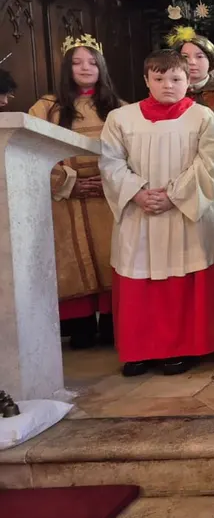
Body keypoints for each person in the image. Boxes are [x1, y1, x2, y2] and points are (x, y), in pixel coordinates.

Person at [99, 50, 214, 376]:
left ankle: (184, 347)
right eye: (159, 78)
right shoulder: (121, 119)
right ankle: (139, 349)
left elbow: (211, 164)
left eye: (175, 78)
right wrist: (137, 193)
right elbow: (111, 163)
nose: (167, 85)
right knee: (139, 274)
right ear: (146, 80)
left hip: (186, 213)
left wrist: (173, 196)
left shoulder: (202, 117)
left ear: (188, 81)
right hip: (139, 211)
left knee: (184, 274)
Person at [30, 35, 123, 349]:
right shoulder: (46, 108)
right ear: (66, 68)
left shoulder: (119, 108)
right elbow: (31, 151)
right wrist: (67, 183)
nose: (85, 68)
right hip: (67, 199)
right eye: (77, 62)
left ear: (102, 67)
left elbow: (134, 153)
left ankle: (111, 322)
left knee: (110, 256)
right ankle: (80, 325)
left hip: (107, 196)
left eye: (92, 62)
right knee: (75, 260)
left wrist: (110, 180)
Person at [166, 26, 214, 108]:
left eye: (199, 56)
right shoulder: (169, 89)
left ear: (210, 60)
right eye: (185, 57)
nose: (192, 62)